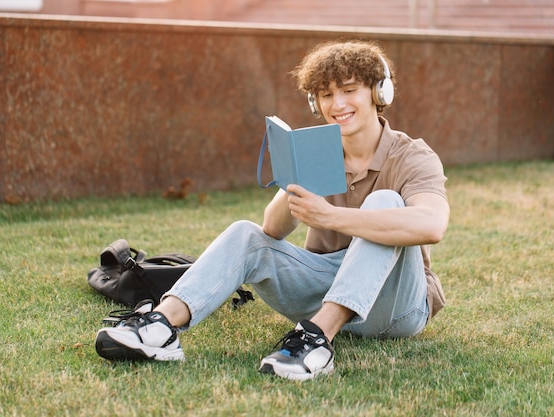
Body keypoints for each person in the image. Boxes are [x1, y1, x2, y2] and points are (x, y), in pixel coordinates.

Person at [94, 39, 450, 380]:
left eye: (349, 90)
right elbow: (273, 231)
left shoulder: (412, 155)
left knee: (383, 203)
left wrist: (330, 216)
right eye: (326, 95)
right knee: (246, 232)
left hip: (395, 306)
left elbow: (432, 224)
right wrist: (294, 175)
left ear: (378, 92)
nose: (337, 104)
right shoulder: (318, 153)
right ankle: (160, 327)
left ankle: (316, 341)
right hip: (325, 287)